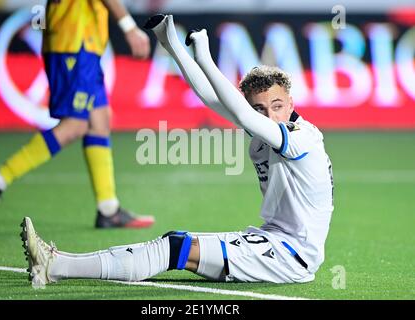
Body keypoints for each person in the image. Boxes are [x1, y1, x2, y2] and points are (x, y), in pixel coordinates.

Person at [20, 14, 334, 285]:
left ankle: (56, 266)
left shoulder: (302, 138)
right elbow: (213, 99)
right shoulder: (267, 130)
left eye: (277, 106)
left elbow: (241, 113)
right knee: (175, 243)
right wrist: (172, 46)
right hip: (273, 242)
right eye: (261, 108)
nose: (269, 115)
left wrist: (206, 58)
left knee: (175, 248)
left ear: (291, 103)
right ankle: (56, 264)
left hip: (292, 255)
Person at [0, 0, 155, 229]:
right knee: (76, 124)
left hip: (82, 42)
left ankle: (108, 209)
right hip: (74, 42)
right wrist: (129, 26)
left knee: (99, 119)